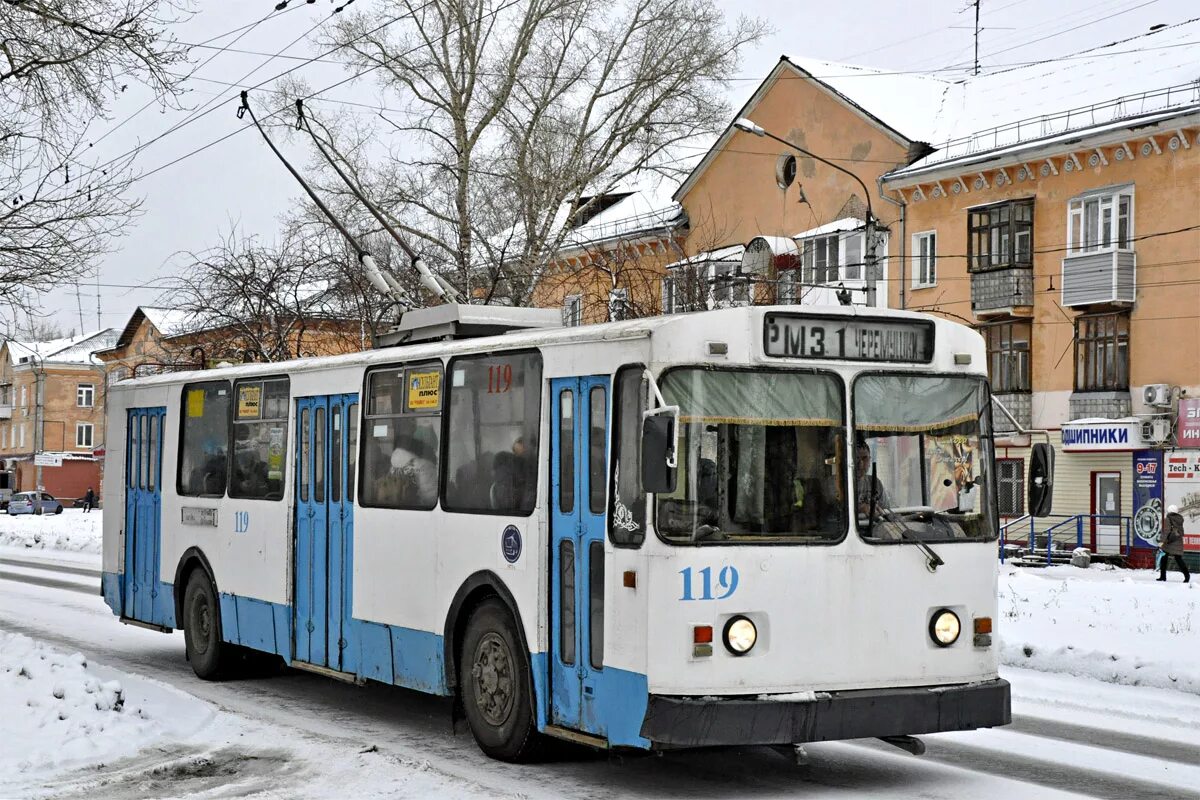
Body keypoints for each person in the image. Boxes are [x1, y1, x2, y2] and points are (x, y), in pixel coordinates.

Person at [854, 439, 890, 519]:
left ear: (870, 460)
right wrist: (860, 508)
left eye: (865, 458)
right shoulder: (835, 484)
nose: (861, 464)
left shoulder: (875, 482)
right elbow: (835, 512)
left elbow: (886, 510)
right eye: (856, 458)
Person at [1157, 505, 1191, 583]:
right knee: (1178, 559)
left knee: (1164, 558)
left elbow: (1166, 531)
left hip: (1169, 542)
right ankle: (1187, 575)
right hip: (1178, 541)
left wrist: (1161, 542)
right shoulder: (1179, 519)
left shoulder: (1168, 519)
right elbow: (1180, 532)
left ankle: (1163, 576)